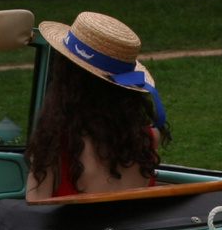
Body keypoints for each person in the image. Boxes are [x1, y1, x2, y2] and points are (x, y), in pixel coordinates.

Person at [24, 12, 171, 200]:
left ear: (67, 77)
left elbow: (36, 213)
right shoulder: (149, 136)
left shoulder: (56, 141)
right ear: (127, 90)